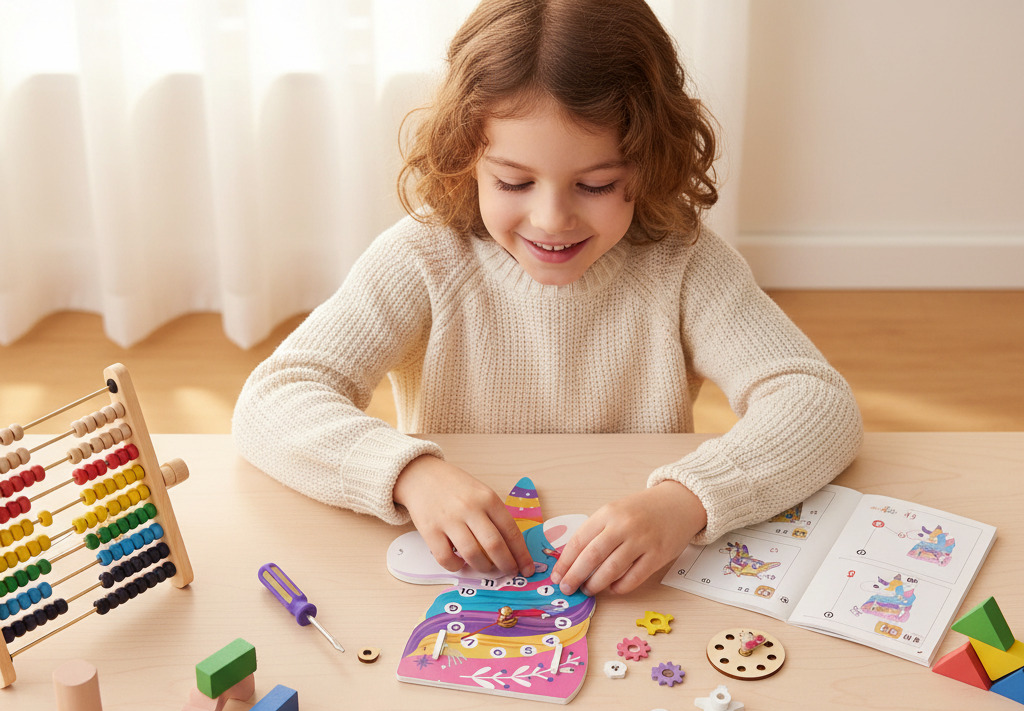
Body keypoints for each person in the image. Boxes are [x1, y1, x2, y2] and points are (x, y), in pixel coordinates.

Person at [232, 0, 862, 598]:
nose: (551, 218)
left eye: (596, 183)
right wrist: (408, 474)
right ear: (465, 159)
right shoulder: (422, 256)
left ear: (649, 162)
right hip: (463, 579)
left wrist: (687, 500)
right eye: (513, 181)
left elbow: (818, 403)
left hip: (635, 581)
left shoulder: (684, 260)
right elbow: (274, 399)